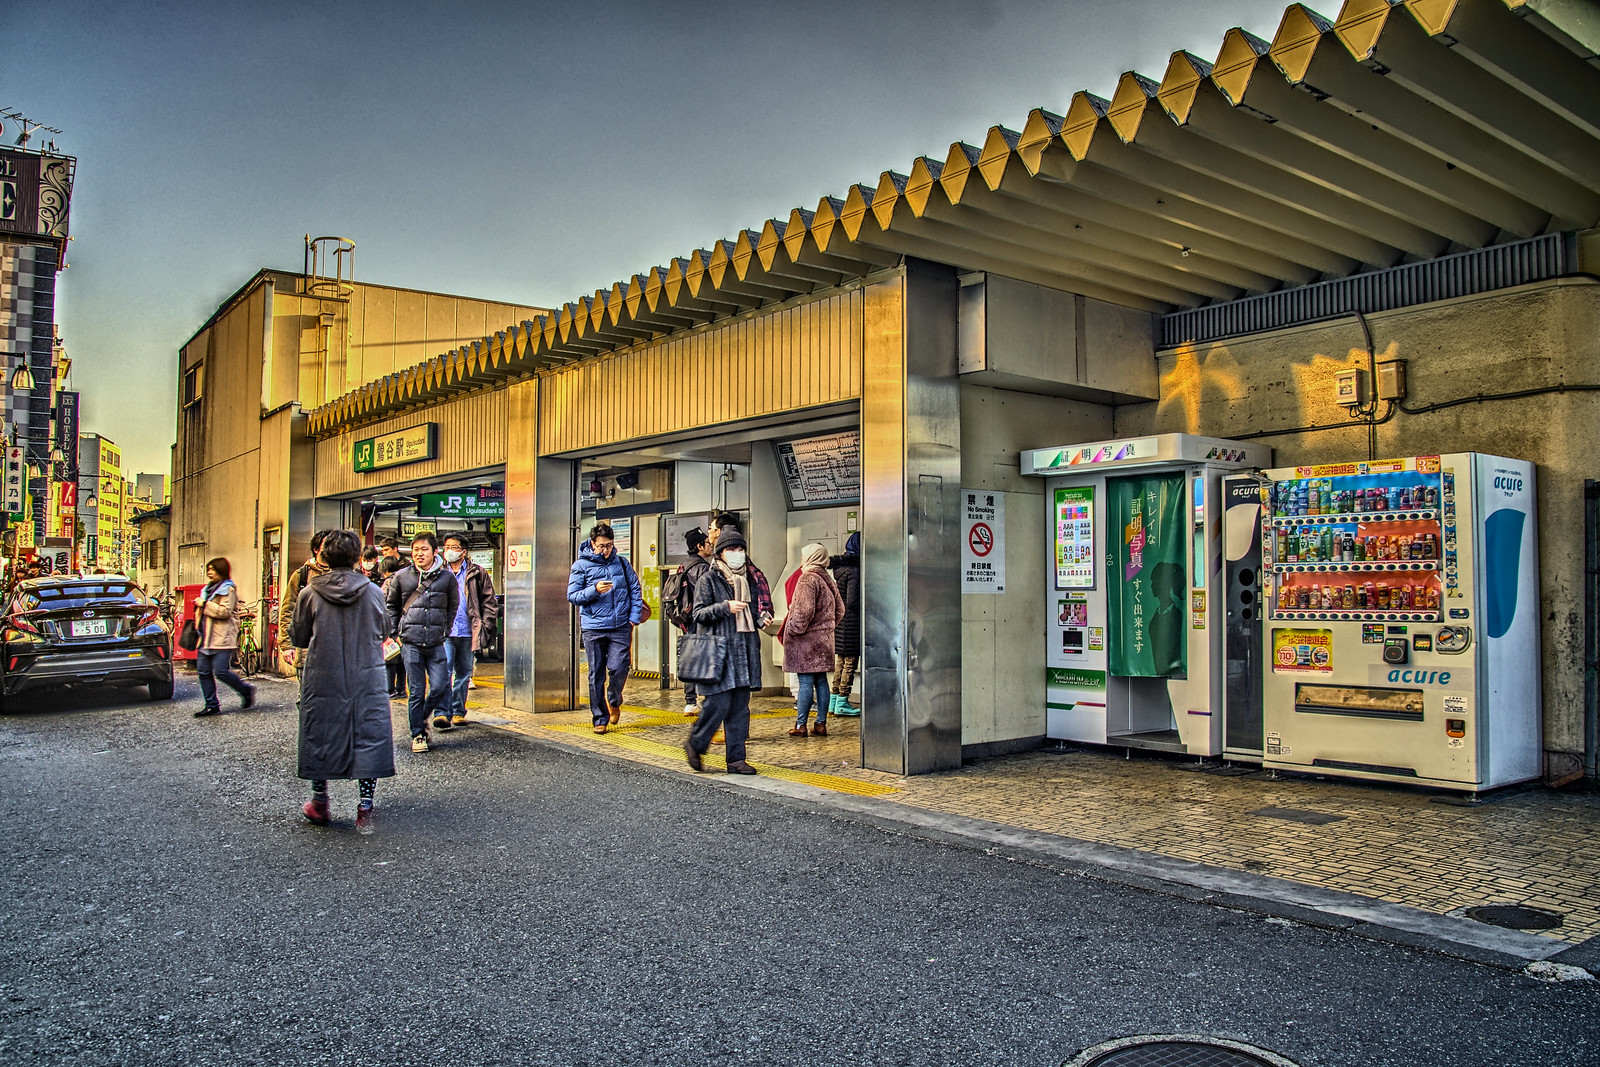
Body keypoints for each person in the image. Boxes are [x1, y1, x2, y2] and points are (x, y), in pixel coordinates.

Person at [291, 529, 394, 834]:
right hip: (366, 672)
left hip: (323, 673)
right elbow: (384, 629)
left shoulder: (309, 592)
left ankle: (320, 801)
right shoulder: (373, 591)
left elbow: (298, 635)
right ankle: (364, 806)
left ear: (323, 556)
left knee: (320, 731)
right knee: (368, 733)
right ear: (356, 558)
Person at [683, 530, 762, 775]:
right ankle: (696, 743)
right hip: (720, 652)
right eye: (732, 550)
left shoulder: (748, 579)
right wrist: (725, 607)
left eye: (741, 550)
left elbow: (753, 611)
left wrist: (761, 618)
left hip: (744, 650)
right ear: (720, 554)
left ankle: (736, 759)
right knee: (717, 703)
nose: (737, 554)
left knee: (740, 706)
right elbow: (698, 614)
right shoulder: (709, 579)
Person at [566, 522, 644, 734]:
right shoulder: (580, 566)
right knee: (596, 674)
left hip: (620, 626)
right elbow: (572, 596)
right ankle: (600, 718)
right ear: (592, 544)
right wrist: (594, 590)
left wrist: (632, 619)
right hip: (593, 627)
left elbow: (635, 590)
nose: (605, 550)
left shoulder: (621, 563)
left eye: (609, 545)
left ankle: (614, 700)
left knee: (620, 667)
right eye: (601, 546)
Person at [386, 532, 460, 753]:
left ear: (434, 552)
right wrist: (394, 633)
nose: (419, 554)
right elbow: (392, 607)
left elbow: (452, 607)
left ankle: (420, 718)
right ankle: (417, 734)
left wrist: (445, 629)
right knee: (416, 691)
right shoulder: (401, 577)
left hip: (436, 642)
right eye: (416, 549)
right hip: (410, 642)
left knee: (440, 686)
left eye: (424, 549)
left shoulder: (446, 578)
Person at [782, 543, 845, 736]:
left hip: (806, 642)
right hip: (824, 641)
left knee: (806, 683)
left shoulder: (807, 579)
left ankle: (801, 725)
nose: (801, 561)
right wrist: (826, 627)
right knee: (822, 682)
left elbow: (804, 611)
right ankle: (820, 724)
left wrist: (793, 628)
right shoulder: (828, 579)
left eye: (803, 556)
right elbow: (840, 609)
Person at [439, 533, 498, 730]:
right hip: (445, 630)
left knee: (463, 672)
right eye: (447, 546)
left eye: (454, 547)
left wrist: (486, 624)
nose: (449, 551)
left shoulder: (477, 573)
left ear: (463, 552)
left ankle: (457, 711)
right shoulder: (439, 571)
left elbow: (489, 601)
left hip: (467, 630)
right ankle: (442, 712)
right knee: (444, 670)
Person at [192, 556, 256, 718]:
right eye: (208, 570)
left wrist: (204, 604)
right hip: (205, 638)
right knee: (203, 672)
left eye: (213, 569)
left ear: (222, 571)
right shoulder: (207, 590)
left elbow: (224, 612)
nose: (210, 573)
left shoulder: (228, 589)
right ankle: (212, 705)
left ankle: (245, 690)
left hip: (222, 638)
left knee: (220, 671)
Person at [671, 527, 714, 717]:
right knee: (703, 656)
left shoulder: (683, 565)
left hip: (685, 619)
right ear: (699, 546)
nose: (710, 545)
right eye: (707, 543)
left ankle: (690, 701)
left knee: (690, 655)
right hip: (699, 618)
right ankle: (702, 699)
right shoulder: (703, 567)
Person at [277, 530, 331, 670]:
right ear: (316, 548)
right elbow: (288, 610)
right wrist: (286, 645)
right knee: (307, 691)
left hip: (335, 651)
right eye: (327, 544)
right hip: (307, 649)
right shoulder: (301, 575)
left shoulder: (342, 574)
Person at [830, 530, 861, 717]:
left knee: (840, 662)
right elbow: (853, 600)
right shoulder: (854, 570)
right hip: (851, 622)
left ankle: (834, 701)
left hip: (840, 621)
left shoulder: (840, 569)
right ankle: (843, 701)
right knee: (850, 662)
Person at [377, 538, 408, 699]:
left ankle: (390, 689)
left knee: (389, 659)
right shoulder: (407, 577)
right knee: (401, 661)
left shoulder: (388, 584)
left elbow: (384, 605)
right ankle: (401, 689)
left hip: (391, 625)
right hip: (405, 624)